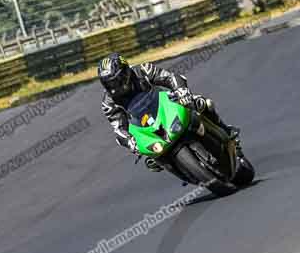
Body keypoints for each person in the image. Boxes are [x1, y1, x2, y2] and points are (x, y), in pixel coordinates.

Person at [97, 53, 239, 172]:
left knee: (202, 103)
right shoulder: (108, 102)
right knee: (151, 161)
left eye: (116, 80)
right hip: (144, 124)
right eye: (109, 84)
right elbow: (118, 128)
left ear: (126, 72)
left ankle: (226, 130)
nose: (114, 87)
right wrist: (130, 142)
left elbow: (169, 77)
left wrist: (181, 91)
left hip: (167, 105)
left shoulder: (143, 70)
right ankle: (173, 165)